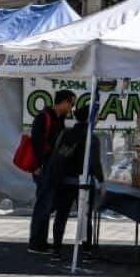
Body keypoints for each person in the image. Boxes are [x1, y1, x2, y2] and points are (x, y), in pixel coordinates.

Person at [45, 105, 103, 261]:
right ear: (91, 118)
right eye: (97, 116)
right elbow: (95, 163)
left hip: (65, 182)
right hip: (84, 183)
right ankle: (87, 250)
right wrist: (101, 181)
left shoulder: (67, 133)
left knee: (61, 216)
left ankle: (56, 249)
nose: (98, 119)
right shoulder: (92, 138)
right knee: (85, 218)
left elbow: (59, 156)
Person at [28, 90, 75, 254]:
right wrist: (37, 166)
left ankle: (40, 241)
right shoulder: (44, 117)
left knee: (48, 205)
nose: (72, 108)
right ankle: (36, 243)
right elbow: (36, 143)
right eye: (71, 104)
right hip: (44, 167)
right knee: (43, 205)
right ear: (64, 102)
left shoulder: (59, 120)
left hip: (53, 168)